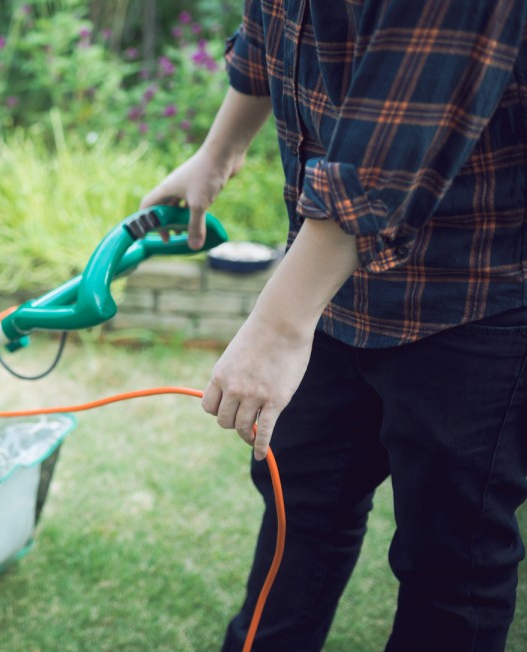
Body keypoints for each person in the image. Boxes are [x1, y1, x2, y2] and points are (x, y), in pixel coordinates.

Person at [139, 2, 527, 650]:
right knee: (300, 507)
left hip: (472, 296)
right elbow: (277, 20)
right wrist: (220, 147)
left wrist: (278, 325)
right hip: (331, 285)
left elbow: (390, 144)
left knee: (451, 559)